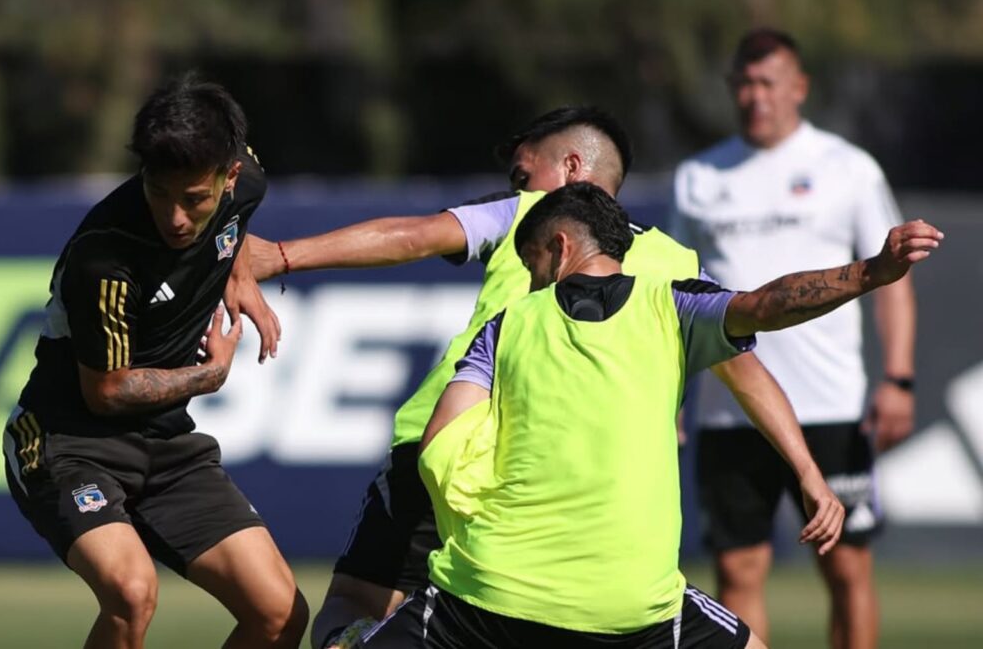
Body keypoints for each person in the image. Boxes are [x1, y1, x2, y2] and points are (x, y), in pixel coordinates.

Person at [246, 107, 840, 649]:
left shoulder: (526, 216)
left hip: (453, 453)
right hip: (574, 489)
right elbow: (748, 374)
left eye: (523, 175)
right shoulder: (679, 271)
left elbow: (413, 236)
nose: (517, 188)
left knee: (357, 605)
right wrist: (808, 470)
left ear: (572, 170)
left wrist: (280, 254)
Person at [354, 184, 940, 649]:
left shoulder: (505, 327)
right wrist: (869, 272)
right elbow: (766, 304)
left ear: (558, 247)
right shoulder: (675, 304)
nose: (531, 282)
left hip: (488, 594)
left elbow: (439, 446)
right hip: (633, 609)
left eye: (531, 264)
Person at [2, 75, 306, 649]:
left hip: (167, 447)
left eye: (193, 199)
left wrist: (237, 272)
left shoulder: (248, 184)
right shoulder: (106, 256)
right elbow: (107, 392)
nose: (175, 218)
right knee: (132, 592)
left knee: (278, 614)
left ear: (230, 174)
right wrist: (210, 375)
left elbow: (231, 225)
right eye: (158, 192)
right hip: (68, 443)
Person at [669, 28, 917, 648]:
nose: (755, 96)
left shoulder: (847, 168)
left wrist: (899, 379)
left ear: (798, 88)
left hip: (828, 403)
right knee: (737, 569)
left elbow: (891, 280)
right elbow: (673, 293)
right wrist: (673, 397)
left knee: (846, 565)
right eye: (744, 84)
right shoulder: (698, 176)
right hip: (732, 409)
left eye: (768, 83)